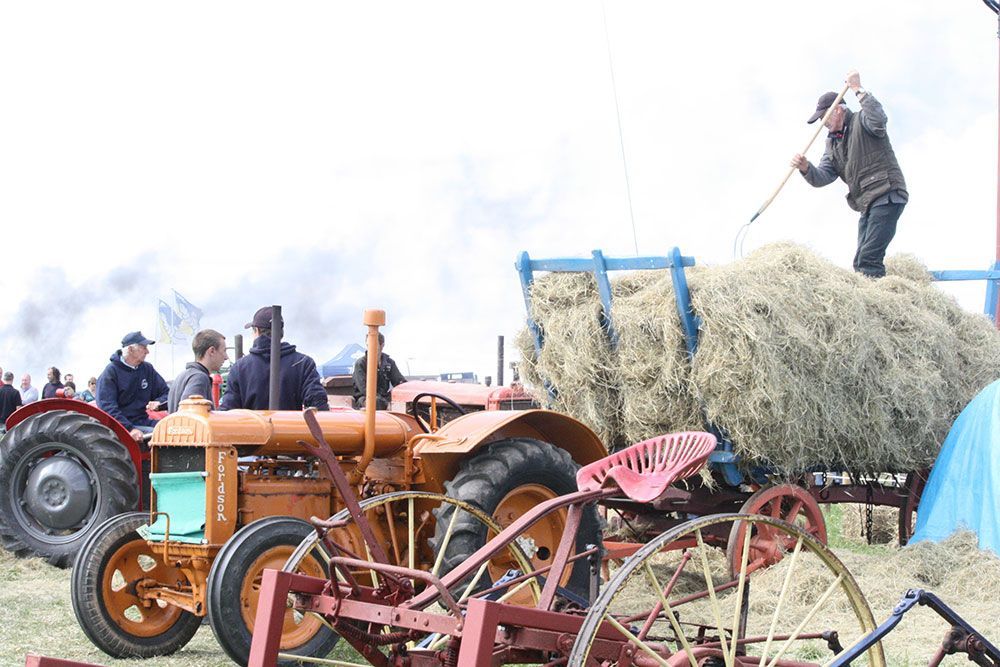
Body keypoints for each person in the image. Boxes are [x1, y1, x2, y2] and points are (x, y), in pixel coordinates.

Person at [791, 70, 907, 279]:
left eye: (824, 117)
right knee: (860, 262)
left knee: (868, 260)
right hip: (867, 203)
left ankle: (878, 304)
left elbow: (879, 119)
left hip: (887, 193)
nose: (822, 123)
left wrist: (858, 89)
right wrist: (806, 168)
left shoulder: (862, 121)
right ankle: (874, 294)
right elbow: (823, 176)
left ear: (838, 111)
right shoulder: (832, 143)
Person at [219, 307, 328, 411]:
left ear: (256, 330)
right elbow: (318, 405)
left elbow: (229, 410)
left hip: (251, 430)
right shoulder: (304, 363)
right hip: (291, 429)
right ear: (281, 332)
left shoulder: (239, 367)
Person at [97, 331, 169, 442]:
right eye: (144, 347)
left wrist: (160, 402)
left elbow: (166, 393)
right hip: (121, 427)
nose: (147, 351)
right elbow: (107, 408)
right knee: (163, 436)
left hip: (142, 420)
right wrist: (129, 429)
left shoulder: (147, 369)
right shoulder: (111, 372)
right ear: (130, 349)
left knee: (173, 429)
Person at [169, 329, 228, 412]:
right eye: (224, 351)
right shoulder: (199, 378)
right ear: (212, 351)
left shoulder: (183, 375)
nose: (226, 357)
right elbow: (190, 415)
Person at [352, 332, 407, 410]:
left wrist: (405, 390)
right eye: (368, 345)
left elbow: (399, 382)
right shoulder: (361, 363)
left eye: (374, 345)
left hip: (384, 397)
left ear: (382, 345)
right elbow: (364, 389)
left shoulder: (389, 362)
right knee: (375, 401)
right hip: (365, 398)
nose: (370, 348)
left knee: (404, 400)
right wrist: (384, 401)